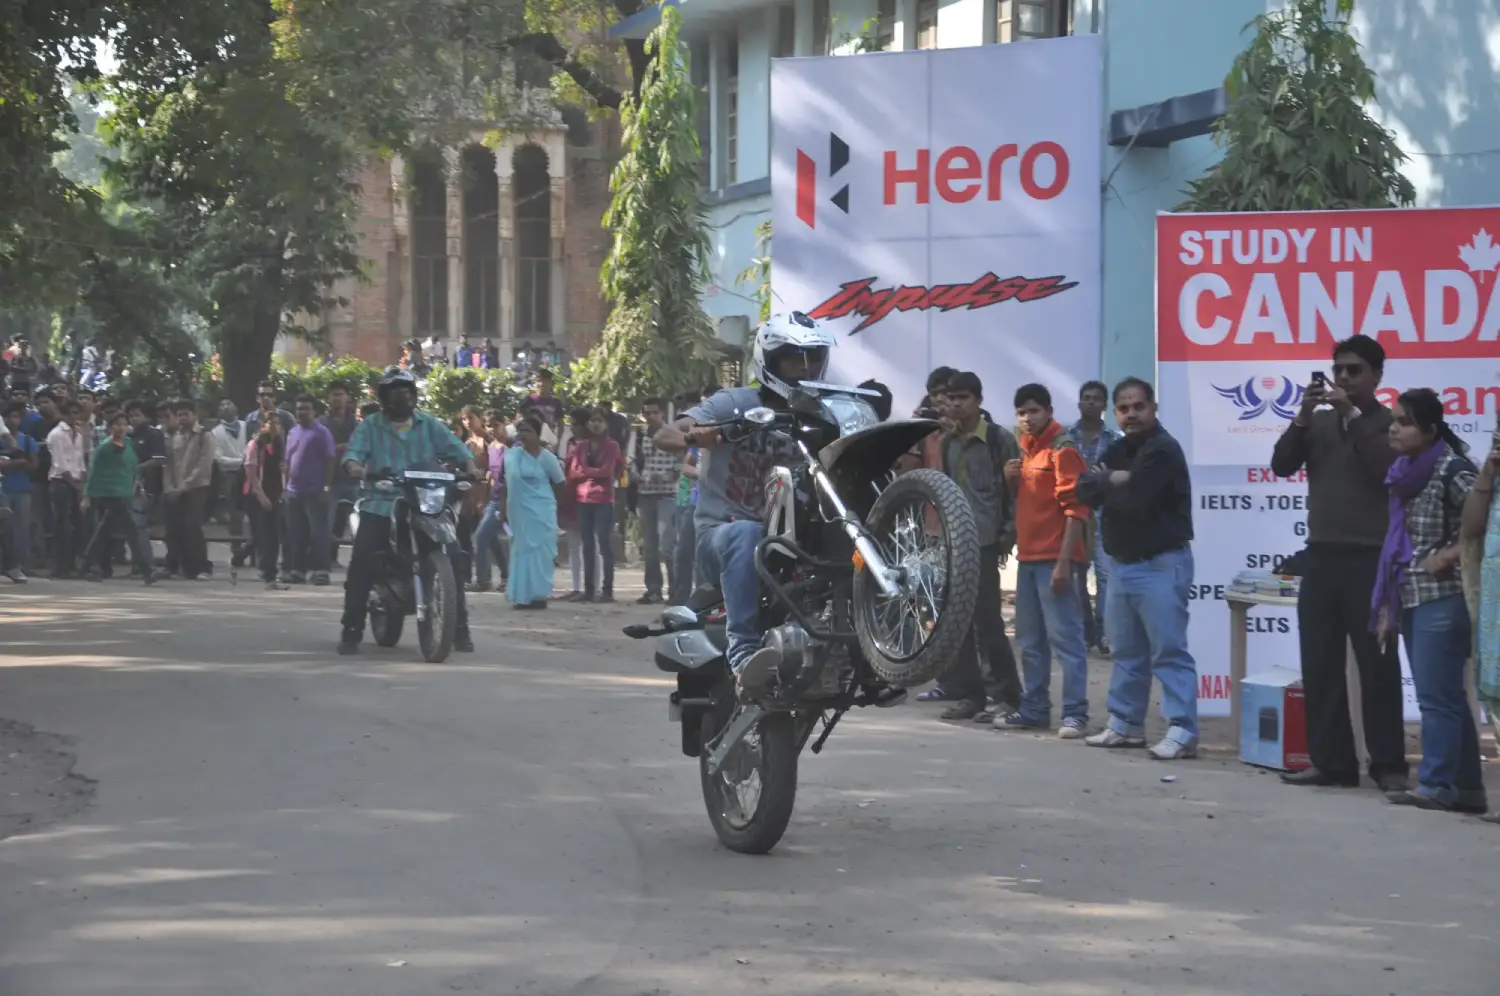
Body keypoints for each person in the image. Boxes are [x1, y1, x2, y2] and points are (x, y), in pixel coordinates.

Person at [653, 311, 834, 695]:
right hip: (722, 536)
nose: (803, 368)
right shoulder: (733, 403)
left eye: (812, 358)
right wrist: (706, 436)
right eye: (791, 359)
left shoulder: (822, 411)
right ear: (769, 360)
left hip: (789, 540)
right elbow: (665, 436)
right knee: (747, 532)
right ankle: (743, 653)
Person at [1270, 335, 1409, 792]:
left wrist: (1352, 416)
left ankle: (1388, 764)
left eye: (1354, 370)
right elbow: (1283, 464)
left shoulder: (1389, 423)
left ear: (1376, 376)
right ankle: (1333, 763)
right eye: (1339, 370)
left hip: (1371, 558)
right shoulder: (1320, 421)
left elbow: (1384, 471)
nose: (1344, 378)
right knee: (1320, 663)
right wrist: (1304, 415)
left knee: (1377, 666)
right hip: (1322, 555)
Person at [1078, 378, 1199, 759]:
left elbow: (1137, 501)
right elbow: (1082, 488)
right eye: (1124, 408)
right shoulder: (1118, 449)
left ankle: (1182, 729)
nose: (1131, 414)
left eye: (1138, 407)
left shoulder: (1163, 450)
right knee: (1126, 652)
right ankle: (1126, 725)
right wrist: (1115, 478)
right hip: (1123, 566)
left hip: (1161, 565)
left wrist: (1106, 480)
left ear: (1153, 408)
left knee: (1169, 652)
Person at [1375, 390, 1483, 812]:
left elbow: (1488, 524)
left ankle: (1436, 785)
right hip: (1414, 594)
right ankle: (1469, 789)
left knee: (1437, 700)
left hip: (1445, 595)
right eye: (1394, 421)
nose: (1395, 429)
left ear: (1431, 430)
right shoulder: (1404, 470)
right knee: (1447, 698)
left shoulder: (1452, 469)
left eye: (1404, 422)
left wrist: (1450, 554)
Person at [337, 367, 479, 654]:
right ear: (384, 397)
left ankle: (459, 629)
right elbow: (352, 456)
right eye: (395, 393)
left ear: (414, 395)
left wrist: (471, 469)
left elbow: (459, 451)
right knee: (363, 558)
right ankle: (351, 629)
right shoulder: (370, 426)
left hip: (424, 501)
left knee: (452, 554)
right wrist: (358, 468)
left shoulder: (430, 425)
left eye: (406, 391)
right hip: (380, 502)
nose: (402, 398)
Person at [931, 371, 1023, 723]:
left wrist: (1009, 531)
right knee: (957, 622)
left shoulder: (999, 439)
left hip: (985, 540)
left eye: (963, 398)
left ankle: (1008, 697)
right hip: (955, 540)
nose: (956, 404)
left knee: (988, 622)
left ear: (978, 401)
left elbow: (1013, 491)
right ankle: (971, 696)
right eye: (952, 398)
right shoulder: (948, 441)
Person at [999, 383, 1091, 737]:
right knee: (1030, 640)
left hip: (1056, 559)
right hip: (1029, 558)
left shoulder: (1062, 449)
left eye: (1034, 411)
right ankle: (1035, 709)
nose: (1027, 418)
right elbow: (1027, 502)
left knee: (1067, 639)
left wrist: (1065, 564)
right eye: (1021, 412)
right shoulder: (1024, 448)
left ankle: (1075, 714)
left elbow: (1076, 510)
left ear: (1049, 412)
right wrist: (1010, 482)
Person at [1461, 420, 1500, 823]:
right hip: (1494, 603)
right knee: (1494, 688)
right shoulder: (1493, 475)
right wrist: (1488, 473)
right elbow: (1471, 528)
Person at [1067, 379, 1123, 654]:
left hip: (1103, 513)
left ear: (1104, 405)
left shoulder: (1115, 440)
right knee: (1075, 573)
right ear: (1079, 403)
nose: (1090, 403)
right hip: (1072, 512)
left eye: (1096, 399)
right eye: (1086, 398)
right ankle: (1084, 632)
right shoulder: (1065, 439)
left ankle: (1104, 634)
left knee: (1105, 574)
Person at [79, 412, 155, 583]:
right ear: (110, 427)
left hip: (126, 491)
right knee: (131, 529)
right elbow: (93, 471)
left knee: (104, 531)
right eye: (116, 424)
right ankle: (147, 570)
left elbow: (133, 467)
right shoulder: (105, 447)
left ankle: (85, 565)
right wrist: (87, 495)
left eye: (124, 424)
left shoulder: (128, 444)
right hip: (110, 493)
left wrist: (139, 486)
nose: (121, 428)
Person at [504, 416, 565, 609]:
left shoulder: (547, 458)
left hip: (542, 511)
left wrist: (554, 507)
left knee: (540, 552)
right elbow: (506, 484)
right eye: (520, 430)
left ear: (538, 434)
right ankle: (522, 596)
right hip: (520, 511)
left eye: (528, 430)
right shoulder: (513, 455)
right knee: (521, 551)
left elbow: (560, 484)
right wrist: (502, 509)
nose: (523, 435)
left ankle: (539, 596)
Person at [567, 407, 622, 602]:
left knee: (604, 544)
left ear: (606, 424)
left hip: (604, 499)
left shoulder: (612, 445)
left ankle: (607, 590)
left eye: (600, 420)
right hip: (583, 499)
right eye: (593, 420)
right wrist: (590, 471)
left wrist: (585, 471)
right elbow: (573, 473)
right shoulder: (581, 446)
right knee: (587, 545)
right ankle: (589, 589)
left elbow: (607, 471)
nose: (596, 424)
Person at [627, 397, 679, 604]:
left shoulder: (673, 434)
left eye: (654, 412)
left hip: (668, 493)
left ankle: (676, 590)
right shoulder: (639, 435)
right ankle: (653, 590)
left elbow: (681, 463)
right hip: (645, 494)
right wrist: (634, 474)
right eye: (647, 412)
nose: (651, 416)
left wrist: (665, 476)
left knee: (667, 546)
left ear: (662, 413)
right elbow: (631, 461)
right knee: (649, 546)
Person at [281, 394, 337, 585]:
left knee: (319, 532)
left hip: (316, 491)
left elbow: (330, 460)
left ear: (315, 411)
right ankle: (298, 569)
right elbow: (288, 461)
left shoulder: (322, 433)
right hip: (294, 491)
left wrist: (326, 487)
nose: (302, 412)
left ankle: (321, 570)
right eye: (299, 409)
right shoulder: (292, 432)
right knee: (296, 533)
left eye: (306, 408)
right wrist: (285, 486)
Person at [164, 400, 216, 580]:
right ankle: (182, 567)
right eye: (179, 415)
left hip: (197, 487)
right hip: (176, 488)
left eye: (186, 414)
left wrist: (185, 485)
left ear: (195, 415)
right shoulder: (174, 437)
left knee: (192, 526)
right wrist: (169, 486)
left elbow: (204, 463)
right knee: (175, 527)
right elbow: (169, 464)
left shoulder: (204, 435)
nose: (182, 418)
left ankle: (202, 567)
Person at [243, 411, 288, 590]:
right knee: (262, 534)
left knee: (274, 533)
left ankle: (272, 572)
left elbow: (282, 470)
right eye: (271, 424)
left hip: (276, 491)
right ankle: (266, 571)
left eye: (278, 424)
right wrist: (261, 496)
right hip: (257, 492)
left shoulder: (280, 444)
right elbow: (251, 473)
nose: (275, 427)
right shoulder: (255, 445)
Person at [47, 401, 90, 578]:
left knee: (78, 526)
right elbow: (60, 464)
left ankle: (73, 564)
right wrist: (76, 486)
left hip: (76, 483)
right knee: (62, 526)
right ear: (64, 414)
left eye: (77, 413)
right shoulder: (57, 434)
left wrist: (82, 483)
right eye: (71, 413)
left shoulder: (77, 434)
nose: (75, 417)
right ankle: (61, 566)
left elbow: (79, 460)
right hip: (61, 483)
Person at [124, 400, 166, 580]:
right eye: (131, 416)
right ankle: (137, 566)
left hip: (146, 487)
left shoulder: (153, 434)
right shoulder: (127, 436)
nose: (133, 419)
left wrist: (137, 467)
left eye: (137, 415)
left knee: (139, 526)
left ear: (146, 416)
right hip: (125, 486)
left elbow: (158, 460)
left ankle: (149, 567)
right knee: (131, 527)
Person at [321, 381, 360, 568]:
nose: (337, 398)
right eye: (334, 394)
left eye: (341, 394)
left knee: (352, 523)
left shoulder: (356, 423)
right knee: (327, 522)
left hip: (352, 478)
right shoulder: (321, 422)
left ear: (347, 398)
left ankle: (355, 561)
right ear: (328, 398)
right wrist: (340, 448)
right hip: (329, 478)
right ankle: (326, 559)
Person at [1, 402, 39, 582]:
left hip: (19, 489)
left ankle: (18, 565)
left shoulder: (25, 440)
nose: (13, 420)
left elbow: (30, 462)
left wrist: (13, 462)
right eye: (10, 416)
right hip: (4, 487)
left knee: (17, 527)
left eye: (17, 416)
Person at [211, 398, 250, 567]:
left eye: (229, 403)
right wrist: (241, 462)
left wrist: (248, 462)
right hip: (230, 474)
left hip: (251, 471)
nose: (226, 407)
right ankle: (236, 550)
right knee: (235, 513)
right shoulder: (215, 432)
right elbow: (218, 458)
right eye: (222, 405)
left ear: (236, 407)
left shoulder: (246, 426)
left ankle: (253, 551)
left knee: (255, 510)